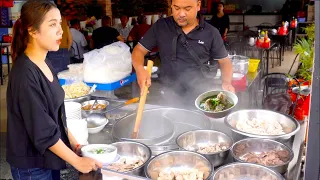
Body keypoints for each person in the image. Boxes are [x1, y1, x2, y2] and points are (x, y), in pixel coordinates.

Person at [7, 1, 102, 179]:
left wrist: (74, 144)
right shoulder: (24, 74)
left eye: (60, 23)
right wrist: (76, 161)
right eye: (52, 24)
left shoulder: (45, 63)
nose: (60, 30)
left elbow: (56, 116)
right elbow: (42, 131)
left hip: (49, 157)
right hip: (31, 166)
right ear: (32, 31)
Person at [132, 0, 234, 108]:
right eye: (176, 8)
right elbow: (139, 50)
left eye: (187, 9)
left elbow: (224, 61)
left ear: (198, 5)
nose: (181, 14)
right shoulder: (161, 26)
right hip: (169, 94)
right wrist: (139, 69)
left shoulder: (211, 33)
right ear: (171, 6)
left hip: (200, 96)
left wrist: (227, 82)